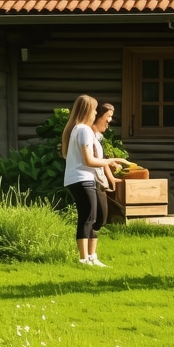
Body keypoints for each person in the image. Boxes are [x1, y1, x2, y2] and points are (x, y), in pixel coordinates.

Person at [62, 94, 125, 265]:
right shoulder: (83, 130)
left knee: (94, 217)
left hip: (82, 178)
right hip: (83, 178)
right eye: (95, 109)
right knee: (88, 217)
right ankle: (84, 259)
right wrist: (111, 161)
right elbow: (88, 160)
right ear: (88, 110)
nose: (96, 113)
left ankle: (91, 257)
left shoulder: (78, 129)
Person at [87, 101, 121, 266]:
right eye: (107, 117)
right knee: (97, 217)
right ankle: (89, 256)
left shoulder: (98, 137)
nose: (109, 122)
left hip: (99, 180)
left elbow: (102, 161)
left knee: (99, 218)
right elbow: (95, 161)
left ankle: (91, 255)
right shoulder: (88, 135)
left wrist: (111, 178)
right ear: (98, 116)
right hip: (91, 180)